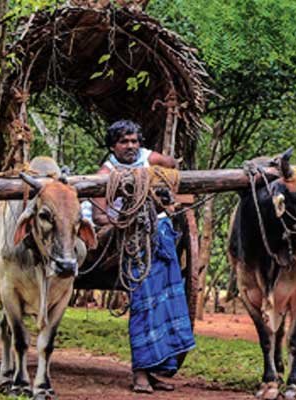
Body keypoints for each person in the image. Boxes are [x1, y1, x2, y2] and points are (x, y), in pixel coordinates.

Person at [89, 120, 196, 394]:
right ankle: (140, 374)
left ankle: (160, 370)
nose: (131, 146)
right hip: (133, 245)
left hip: (162, 240)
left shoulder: (150, 160)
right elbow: (100, 216)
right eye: (124, 142)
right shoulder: (106, 173)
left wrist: (159, 183)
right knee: (144, 305)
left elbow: (172, 163)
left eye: (135, 141)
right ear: (113, 146)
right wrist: (126, 220)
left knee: (169, 302)